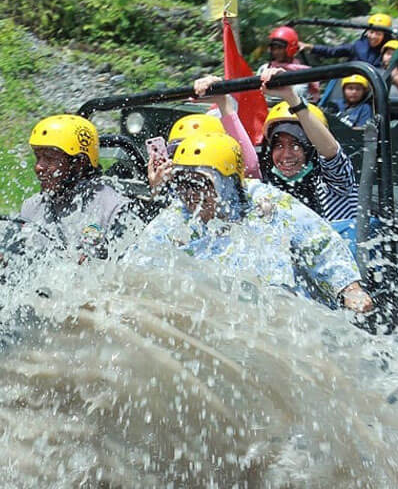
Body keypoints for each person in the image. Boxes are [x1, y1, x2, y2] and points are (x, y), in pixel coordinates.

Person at [132, 131, 373, 312]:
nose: (191, 194)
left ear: (227, 183)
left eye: (200, 183)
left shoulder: (266, 205)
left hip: (283, 314)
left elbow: (319, 242)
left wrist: (349, 289)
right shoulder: (179, 216)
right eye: (183, 184)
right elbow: (137, 261)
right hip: (210, 315)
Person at [0, 114, 138, 267]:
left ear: (79, 163)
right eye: (38, 157)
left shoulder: (114, 208)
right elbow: (11, 261)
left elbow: (126, 275)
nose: (39, 167)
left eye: (49, 158)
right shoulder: (31, 208)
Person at [259, 67, 358, 221]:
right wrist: (225, 105)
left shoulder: (335, 183)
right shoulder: (271, 187)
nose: (286, 154)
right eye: (278, 145)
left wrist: (292, 98)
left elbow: (331, 151)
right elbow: (249, 169)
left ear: (311, 148)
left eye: (295, 144)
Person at [299, 13, 393, 68]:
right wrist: (310, 47)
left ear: (385, 36)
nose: (373, 36)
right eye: (371, 32)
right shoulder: (358, 46)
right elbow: (333, 51)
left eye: (378, 34)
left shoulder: (391, 49)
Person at [257, 26, 320, 103]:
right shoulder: (264, 69)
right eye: (274, 48)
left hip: (297, 111)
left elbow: (307, 96)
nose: (276, 52)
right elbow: (258, 95)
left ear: (291, 48)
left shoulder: (304, 72)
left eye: (280, 48)